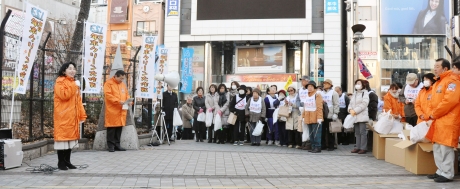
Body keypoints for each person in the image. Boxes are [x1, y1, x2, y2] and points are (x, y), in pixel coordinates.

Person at [425, 59, 460, 183]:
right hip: (438, 120)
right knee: (438, 147)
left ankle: (447, 173)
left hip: (448, 120)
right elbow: (431, 101)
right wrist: (430, 114)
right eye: (434, 66)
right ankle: (440, 170)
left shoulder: (452, 81)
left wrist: (434, 114)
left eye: (437, 66)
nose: (435, 68)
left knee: (445, 148)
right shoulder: (438, 82)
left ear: (445, 68)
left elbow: (449, 101)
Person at [53, 62, 87, 170]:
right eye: (70, 68)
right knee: (62, 139)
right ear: (64, 71)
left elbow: (78, 101)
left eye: (74, 68)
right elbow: (64, 95)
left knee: (70, 139)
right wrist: (74, 86)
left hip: (72, 115)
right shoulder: (60, 82)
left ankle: (67, 161)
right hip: (63, 115)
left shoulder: (74, 83)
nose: (72, 70)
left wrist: (81, 114)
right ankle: (61, 162)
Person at [104, 70, 129, 152]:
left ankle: (117, 145)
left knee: (119, 128)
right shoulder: (108, 83)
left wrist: (129, 101)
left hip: (121, 110)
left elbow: (126, 94)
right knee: (111, 128)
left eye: (123, 78)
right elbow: (108, 95)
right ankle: (111, 146)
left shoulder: (122, 85)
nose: (122, 80)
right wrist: (118, 101)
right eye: (121, 78)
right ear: (116, 76)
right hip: (112, 110)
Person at [348, 79, 370, 154]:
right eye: (356, 83)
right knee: (357, 132)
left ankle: (363, 148)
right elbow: (350, 103)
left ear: (363, 85)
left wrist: (355, 110)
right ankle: (357, 147)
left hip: (362, 115)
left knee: (362, 132)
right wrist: (350, 109)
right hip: (355, 115)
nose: (357, 84)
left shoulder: (365, 93)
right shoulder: (355, 93)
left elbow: (364, 104)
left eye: (359, 83)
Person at [301, 81, 323, 153]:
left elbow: (319, 107)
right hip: (308, 116)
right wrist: (303, 116)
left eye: (311, 86)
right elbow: (305, 107)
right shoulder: (307, 95)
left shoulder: (317, 95)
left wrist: (319, 117)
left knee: (316, 133)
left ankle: (318, 147)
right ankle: (313, 146)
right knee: (311, 134)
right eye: (308, 86)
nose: (309, 88)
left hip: (315, 117)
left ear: (314, 87)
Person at [319, 79, 339, 151]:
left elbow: (336, 104)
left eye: (326, 84)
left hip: (330, 114)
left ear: (330, 85)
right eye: (324, 83)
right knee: (322, 131)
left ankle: (331, 145)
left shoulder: (333, 93)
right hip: (322, 114)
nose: (324, 85)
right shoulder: (321, 93)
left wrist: (335, 113)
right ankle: (323, 145)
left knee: (330, 131)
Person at [295, 75, 310, 150]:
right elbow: (297, 99)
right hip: (301, 110)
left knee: (307, 127)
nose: (302, 82)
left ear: (307, 81)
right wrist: (299, 107)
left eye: (303, 80)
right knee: (302, 127)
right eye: (301, 80)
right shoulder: (300, 90)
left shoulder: (310, 88)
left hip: (308, 110)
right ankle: (303, 143)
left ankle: (308, 143)